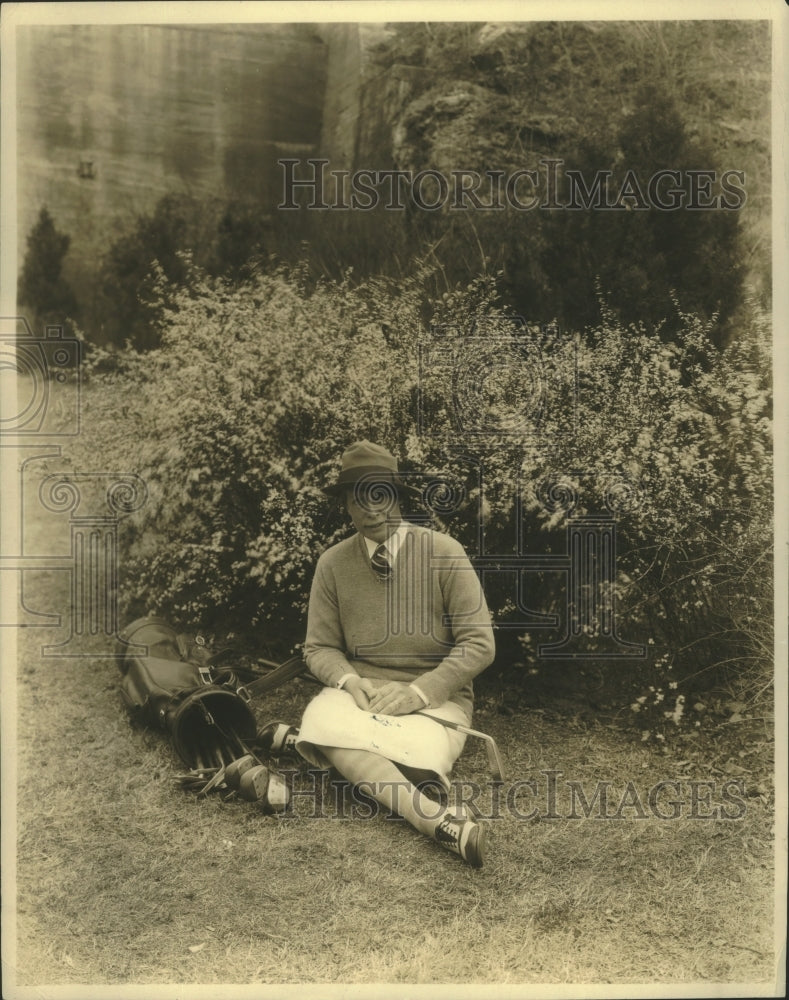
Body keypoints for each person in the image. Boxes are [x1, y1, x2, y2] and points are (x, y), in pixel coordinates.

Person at [266, 440, 495, 867]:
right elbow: (319, 648)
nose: (371, 510)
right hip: (361, 695)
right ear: (346, 507)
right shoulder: (332, 563)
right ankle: (433, 820)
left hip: (435, 701)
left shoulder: (445, 553)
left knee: (417, 759)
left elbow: (479, 644)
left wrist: (420, 693)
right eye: (358, 498)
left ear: (397, 496)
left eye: (381, 494)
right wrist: (351, 682)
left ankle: (312, 746)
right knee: (325, 718)